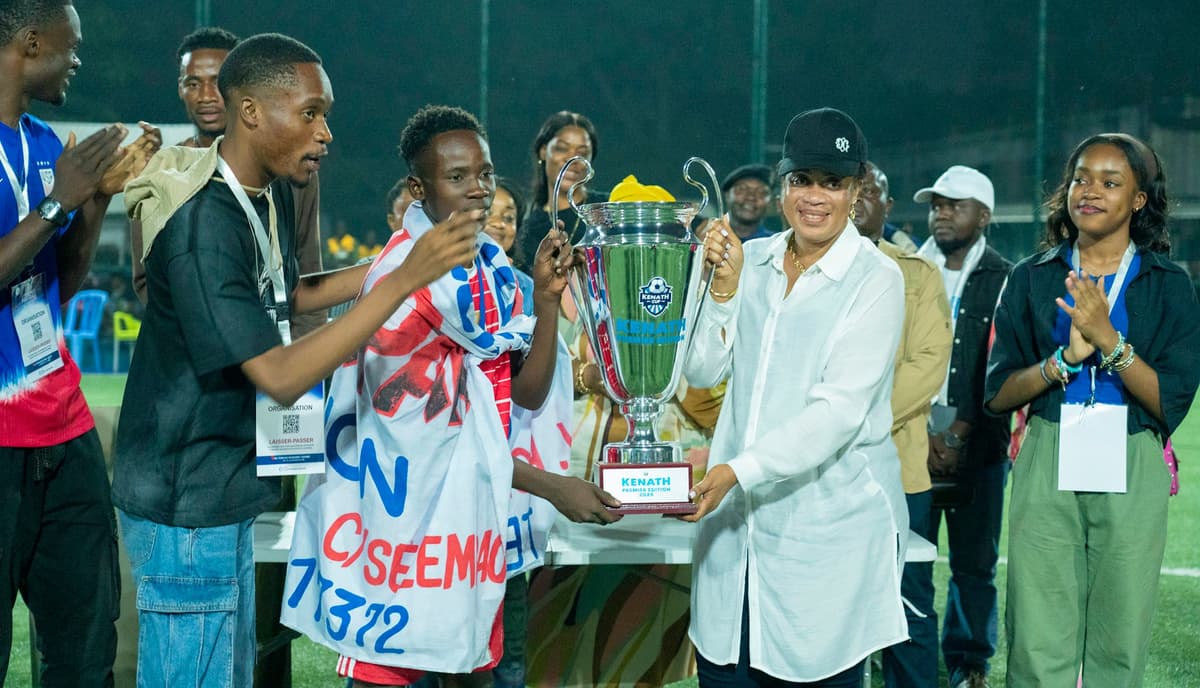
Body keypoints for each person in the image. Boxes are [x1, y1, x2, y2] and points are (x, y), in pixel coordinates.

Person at [111, 35, 483, 688]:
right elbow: (278, 375)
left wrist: (391, 264)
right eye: (310, 113)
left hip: (219, 485)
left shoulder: (266, 194)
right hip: (184, 500)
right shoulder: (204, 228)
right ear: (251, 112)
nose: (325, 133)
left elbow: (286, 295)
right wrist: (403, 281)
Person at [282, 104, 620, 688]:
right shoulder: (400, 281)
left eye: (484, 173)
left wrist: (544, 300)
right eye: (457, 176)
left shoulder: (489, 271)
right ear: (419, 188)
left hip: (467, 535)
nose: (478, 188)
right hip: (398, 538)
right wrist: (552, 486)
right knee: (390, 678)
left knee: (474, 672)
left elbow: (526, 395)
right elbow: (431, 443)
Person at [683, 107, 908, 687]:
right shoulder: (751, 261)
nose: (814, 197)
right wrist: (724, 291)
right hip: (734, 537)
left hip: (824, 539)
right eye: (802, 179)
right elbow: (702, 370)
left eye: (832, 182)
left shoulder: (876, 278)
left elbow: (837, 414)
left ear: (856, 190)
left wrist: (737, 470)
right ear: (783, 183)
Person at [986, 133, 1200, 687]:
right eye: (1080, 178)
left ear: (1138, 200)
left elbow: (1170, 399)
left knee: (1119, 637)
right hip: (1048, 448)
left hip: (1131, 454)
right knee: (1035, 639)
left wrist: (1110, 341)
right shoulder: (1031, 276)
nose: (1090, 191)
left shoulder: (1168, 283)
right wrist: (1061, 361)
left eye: (1110, 182)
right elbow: (998, 393)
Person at [0, 0, 157, 686]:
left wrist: (92, 203)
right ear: (32, 43)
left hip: (63, 433)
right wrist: (56, 204)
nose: (78, 60)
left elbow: (60, 281)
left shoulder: (44, 145)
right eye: (72, 45)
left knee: (86, 651)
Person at [524, 175, 716, 688]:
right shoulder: (561, 294)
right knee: (560, 643)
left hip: (655, 503)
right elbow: (527, 382)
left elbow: (707, 394)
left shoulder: (674, 299)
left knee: (638, 635)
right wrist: (586, 375)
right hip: (571, 474)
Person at [131, 26, 325, 337]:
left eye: (217, 81)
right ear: (180, 89)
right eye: (193, 83)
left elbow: (307, 264)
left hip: (279, 351)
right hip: (200, 351)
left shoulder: (290, 169)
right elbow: (146, 280)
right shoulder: (165, 173)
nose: (206, 96)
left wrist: (308, 354)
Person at [911, 165, 1012, 688]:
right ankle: (905, 655)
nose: (942, 214)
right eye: (937, 205)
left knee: (974, 564)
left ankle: (969, 662)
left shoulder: (1006, 277)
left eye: (955, 205)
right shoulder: (908, 269)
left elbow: (1005, 364)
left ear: (984, 216)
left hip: (981, 446)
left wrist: (958, 432)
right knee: (907, 558)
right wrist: (924, 431)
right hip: (909, 440)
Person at [853, 161, 953, 688]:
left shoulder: (917, 274)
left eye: (872, 191)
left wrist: (839, 423)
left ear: (888, 207)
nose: (859, 199)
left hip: (899, 471)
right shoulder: (794, 268)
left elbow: (928, 365)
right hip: (809, 477)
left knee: (907, 606)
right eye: (849, 187)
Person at [517, 110, 597, 266]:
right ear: (543, 152)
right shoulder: (525, 231)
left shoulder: (607, 210)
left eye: (582, 152)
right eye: (562, 148)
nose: (572, 159)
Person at [721, 163, 775, 241]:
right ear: (727, 195)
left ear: (770, 202)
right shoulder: (707, 238)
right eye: (742, 189)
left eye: (761, 192)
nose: (751, 197)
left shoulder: (777, 245)